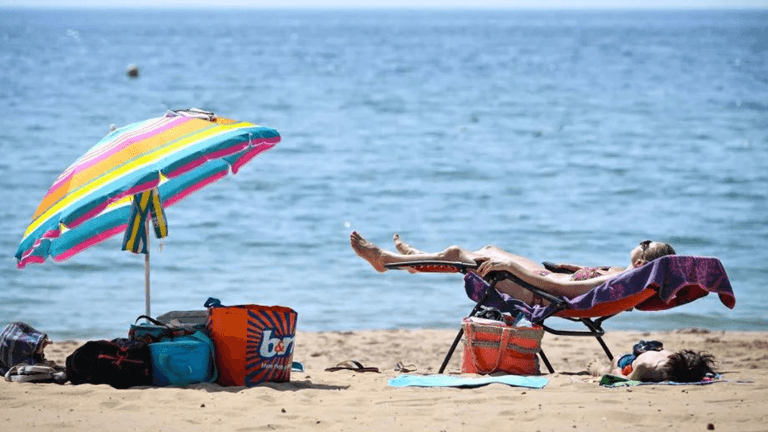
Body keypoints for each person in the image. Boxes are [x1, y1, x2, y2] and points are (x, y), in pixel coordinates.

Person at [349, 231, 677, 305]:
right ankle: (417, 263)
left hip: (542, 292)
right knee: (488, 250)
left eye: (644, 242)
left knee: (464, 256)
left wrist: (516, 271)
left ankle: (388, 261)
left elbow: (568, 291)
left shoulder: (626, 277)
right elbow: (578, 282)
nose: (640, 241)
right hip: (547, 281)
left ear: (642, 260)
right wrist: (576, 268)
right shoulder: (629, 276)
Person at [587, 340, 716, 382]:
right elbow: (617, 372)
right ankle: (599, 369)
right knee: (610, 366)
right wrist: (616, 371)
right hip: (624, 362)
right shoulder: (647, 366)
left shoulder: (668, 357)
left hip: (647, 355)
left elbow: (624, 379)